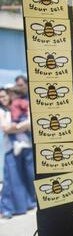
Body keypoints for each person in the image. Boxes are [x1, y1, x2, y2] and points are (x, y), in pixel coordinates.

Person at [0, 88, 36, 219]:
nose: (2, 99)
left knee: (26, 178)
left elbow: (31, 123)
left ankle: (26, 205)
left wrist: (16, 127)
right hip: (11, 148)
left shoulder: (20, 107)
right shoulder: (2, 112)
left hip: (25, 146)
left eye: (4, 96)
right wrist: (21, 126)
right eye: (0, 97)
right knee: (12, 180)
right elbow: (5, 128)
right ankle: (8, 208)